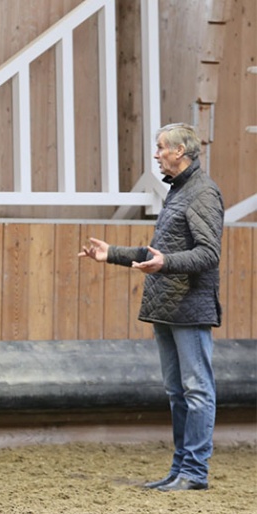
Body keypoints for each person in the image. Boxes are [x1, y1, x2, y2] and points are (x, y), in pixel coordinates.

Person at [78, 123, 224, 492]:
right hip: (167, 307)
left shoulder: (203, 193)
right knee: (178, 392)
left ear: (180, 151)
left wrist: (165, 264)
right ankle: (180, 470)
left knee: (197, 389)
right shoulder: (178, 192)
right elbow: (159, 254)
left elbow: (208, 254)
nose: (156, 154)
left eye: (161, 148)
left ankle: (194, 472)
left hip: (189, 307)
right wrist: (111, 254)